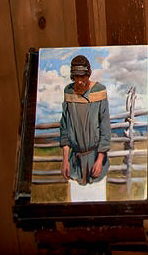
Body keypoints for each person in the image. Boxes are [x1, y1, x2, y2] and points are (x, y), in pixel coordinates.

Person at [60, 55, 110, 202]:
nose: (80, 81)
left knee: (99, 202)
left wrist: (99, 160)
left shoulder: (99, 91)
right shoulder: (68, 92)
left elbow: (105, 127)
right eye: (76, 77)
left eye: (82, 77)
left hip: (95, 160)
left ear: (89, 74)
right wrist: (65, 160)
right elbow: (65, 126)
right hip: (75, 163)